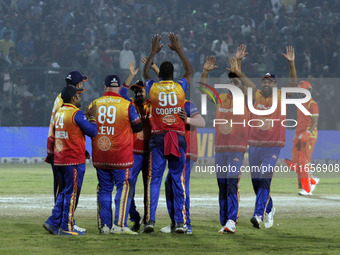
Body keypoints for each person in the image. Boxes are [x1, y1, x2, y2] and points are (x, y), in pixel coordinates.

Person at [235, 46, 297, 229]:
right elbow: (242, 81)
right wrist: (238, 62)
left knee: (264, 179)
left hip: (272, 146)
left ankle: (257, 215)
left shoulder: (280, 96)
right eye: (264, 82)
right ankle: (269, 209)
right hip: (254, 145)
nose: (266, 84)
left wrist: (291, 64)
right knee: (256, 184)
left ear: (275, 85)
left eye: (269, 82)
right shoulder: (256, 95)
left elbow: (293, 83)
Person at [142, 33, 193, 233]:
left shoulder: (153, 87)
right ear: (173, 75)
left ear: (160, 75)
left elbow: (145, 74)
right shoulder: (180, 87)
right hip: (178, 138)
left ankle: (150, 221)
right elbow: (190, 70)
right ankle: (180, 223)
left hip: (159, 137)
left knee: (153, 180)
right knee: (178, 179)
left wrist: (152, 52)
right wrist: (179, 49)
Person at [198, 45, 251, 234]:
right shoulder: (220, 98)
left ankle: (231, 220)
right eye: (231, 83)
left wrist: (238, 65)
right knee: (222, 185)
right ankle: (224, 220)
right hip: (220, 149)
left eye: (237, 83)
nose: (234, 85)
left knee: (231, 183)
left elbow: (247, 84)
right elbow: (203, 89)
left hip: (236, 149)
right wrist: (204, 71)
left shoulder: (245, 98)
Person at [90, 74, 143, 235]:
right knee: (124, 187)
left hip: (101, 154)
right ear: (119, 88)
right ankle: (119, 225)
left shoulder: (94, 104)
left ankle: (105, 226)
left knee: (104, 189)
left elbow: (88, 126)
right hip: (121, 155)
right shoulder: (126, 105)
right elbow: (138, 126)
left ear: (104, 86)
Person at [43, 85, 97, 236]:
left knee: (64, 193)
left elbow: (69, 134)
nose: (80, 98)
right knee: (71, 194)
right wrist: (92, 117)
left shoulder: (59, 112)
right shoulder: (77, 114)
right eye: (78, 96)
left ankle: (53, 222)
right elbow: (93, 131)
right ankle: (67, 227)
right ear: (73, 98)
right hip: (73, 161)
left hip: (60, 159)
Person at [161, 101, 205, 234]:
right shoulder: (168, 105)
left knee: (180, 185)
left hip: (187, 151)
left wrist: (187, 119)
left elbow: (201, 122)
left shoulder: (187, 104)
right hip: (177, 152)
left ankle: (185, 224)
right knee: (170, 183)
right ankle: (176, 222)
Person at [284, 81, 320, 196]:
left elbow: (315, 122)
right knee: (294, 163)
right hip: (298, 135)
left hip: (309, 136)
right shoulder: (300, 103)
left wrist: (308, 133)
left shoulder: (312, 104)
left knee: (303, 162)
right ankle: (312, 179)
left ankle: (307, 188)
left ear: (309, 91)